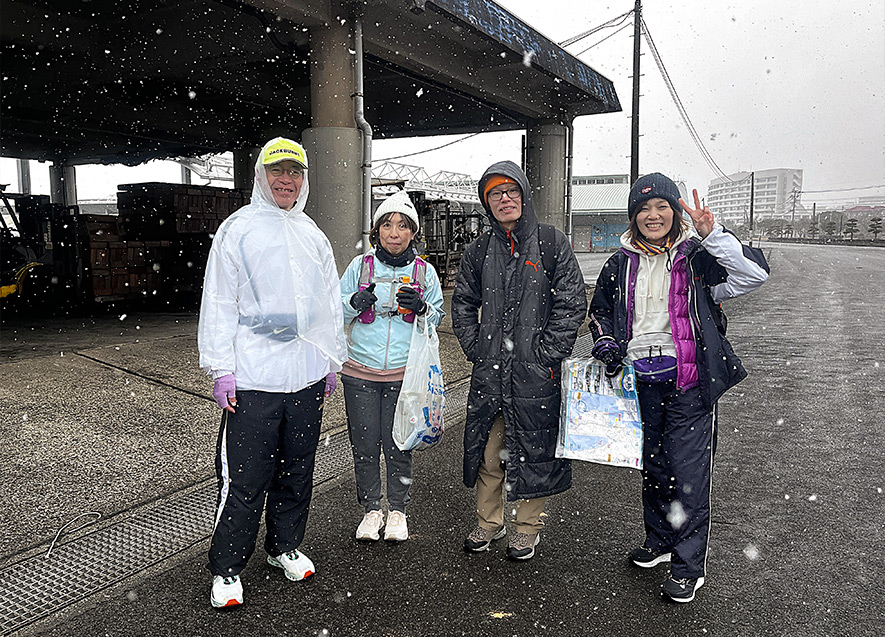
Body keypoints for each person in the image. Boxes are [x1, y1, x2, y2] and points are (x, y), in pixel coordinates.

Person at [587, 172, 769, 603]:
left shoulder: (696, 258)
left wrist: (713, 234)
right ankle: (660, 542)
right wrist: (608, 343)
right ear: (633, 216)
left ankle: (689, 565)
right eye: (644, 208)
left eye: (662, 206)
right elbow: (601, 313)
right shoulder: (619, 263)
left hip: (688, 381)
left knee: (688, 475)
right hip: (639, 382)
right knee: (653, 467)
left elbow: (753, 275)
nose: (653, 215)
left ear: (674, 212)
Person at [198, 137, 347, 609]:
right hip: (254, 375)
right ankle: (226, 567)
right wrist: (222, 368)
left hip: (303, 374)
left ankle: (284, 546)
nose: (287, 180)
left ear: (303, 181)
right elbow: (219, 302)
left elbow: (328, 306)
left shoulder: (313, 235)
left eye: (296, 173)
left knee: (298, 468)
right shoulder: (237, 230)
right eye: (278, 171)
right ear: (261, 175)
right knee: (245, 477)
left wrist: (329, 360)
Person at [452, 161, 586, 561]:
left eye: (511, 191)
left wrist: (548, 353)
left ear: (524, 196)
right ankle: (488, 522)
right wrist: (476, 348)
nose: (505, 199)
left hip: (535, 372)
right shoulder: (478, 250)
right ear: (486, 203)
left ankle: (527, 528)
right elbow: (462, 303)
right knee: (489, 453)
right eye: (495, 194)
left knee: (533, 450)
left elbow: (572, 301)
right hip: (490, 371)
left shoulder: (551, 242)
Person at [339, 190, 445, 542]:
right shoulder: (360, 267)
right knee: (365, 444)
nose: (394, 233)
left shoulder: (424, 272)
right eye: (387, 225)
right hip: (360, 371)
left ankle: (397, 510)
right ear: (377, 231)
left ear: (413, 232)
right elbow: (334, 309)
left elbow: (437, 317)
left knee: (399, 443)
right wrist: (354, 302)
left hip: (404, 372)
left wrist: (422, 308)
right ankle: (371, 510)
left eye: (402, 226)